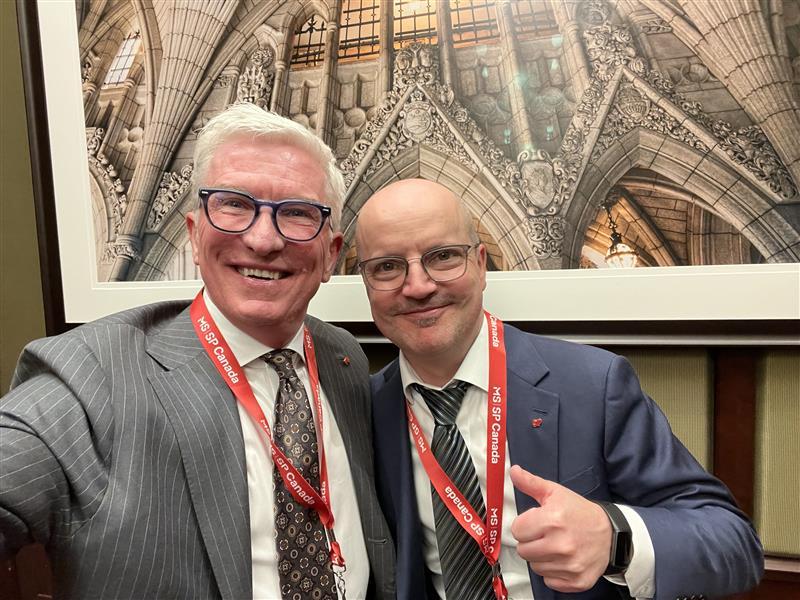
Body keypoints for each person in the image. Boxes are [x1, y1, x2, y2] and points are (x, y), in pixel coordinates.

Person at [0, 103, 395, 599]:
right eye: (234, 205)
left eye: (296, 213)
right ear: (194, 232)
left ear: (330, 255)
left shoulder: (344, 358)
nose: (263, 239)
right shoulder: (90, 376)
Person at [355, 178, 763, 600]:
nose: (418, 286)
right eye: (387, 266)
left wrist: (613, 538)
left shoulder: (593, 384)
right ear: (367, 282)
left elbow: (732, 542)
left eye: (443, 257)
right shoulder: (365, 407)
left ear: (480, 264)